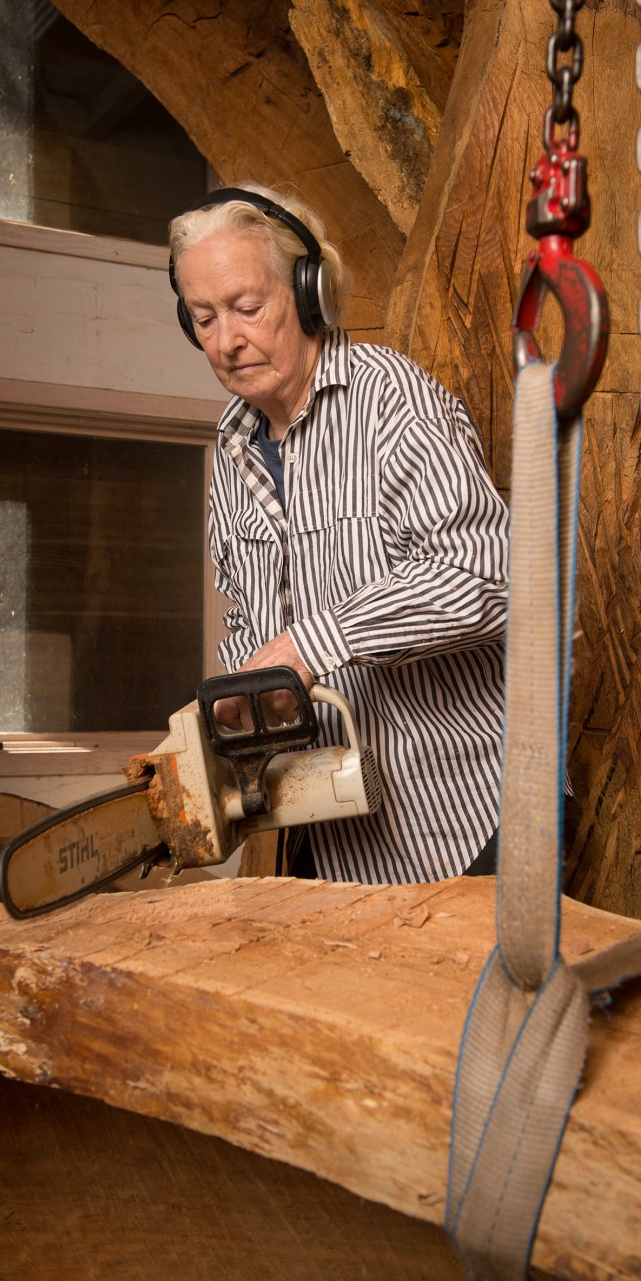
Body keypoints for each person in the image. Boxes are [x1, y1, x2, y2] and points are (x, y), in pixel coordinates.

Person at [168, 183, 509, 884]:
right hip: (329, 834)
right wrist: (239, 699)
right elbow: (249, 618)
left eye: (247, 308)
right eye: (204, 319)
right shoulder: (232, 447)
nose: (227, 341)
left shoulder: (393, 403)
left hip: (462, 821)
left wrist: (310, 645)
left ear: (309, 293)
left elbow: (485, 575)